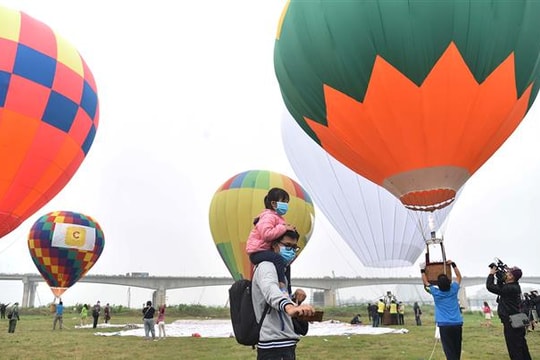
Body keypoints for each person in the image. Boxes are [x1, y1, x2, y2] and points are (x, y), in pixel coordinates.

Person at [251, 229, 315, 359]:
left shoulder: (280, 270)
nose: (291, 251)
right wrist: (290, 307)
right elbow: (271, 291)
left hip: (284, 343)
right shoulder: (266, 266)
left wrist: (294, 299)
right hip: (274, 345)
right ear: (274, 245)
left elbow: (277, 296)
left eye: (294, 247)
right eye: (287, 246)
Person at [246, 187, 297, 293]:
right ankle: (281, 286)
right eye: (284, 202)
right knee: (278, 259)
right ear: (274, 203)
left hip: (265, 250)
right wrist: (284, 228)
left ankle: (289, 292)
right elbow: (266, 234)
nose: (286, 205)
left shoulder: (278, 218)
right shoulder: (268, 216)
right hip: (257, 252)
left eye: (287, 202)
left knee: (286, 264)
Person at [486, 264, 532, 360]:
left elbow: (490, 286)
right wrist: (499, 275)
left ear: (512, 277)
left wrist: (491, 274)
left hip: (512, 322)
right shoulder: (513, 286)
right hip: (516, 320)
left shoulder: (510, 288)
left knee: (514, 349)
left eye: (508, 274)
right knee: (521, 346)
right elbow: (501, 284)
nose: (506, 274)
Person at [421, 260, 463, 360]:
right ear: (449, 282)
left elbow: (426, 283)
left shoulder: (436, 293)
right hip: (457, 323)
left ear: (438, 285)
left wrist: (422, 270)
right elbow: (459, 277)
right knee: (457, 348)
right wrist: (453, 264)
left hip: (444, 325)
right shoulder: (453, 289)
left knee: (449, 349)